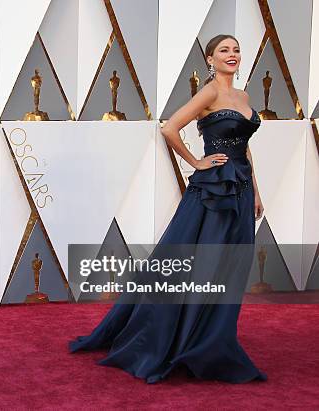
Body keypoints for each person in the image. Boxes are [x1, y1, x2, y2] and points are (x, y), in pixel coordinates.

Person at [69, 34, 267, 383]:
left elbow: (244, 147)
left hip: (240, 190)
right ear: (210, 59)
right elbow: (170, 127)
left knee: (228, 269)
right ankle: (174, 339)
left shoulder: (244, 96)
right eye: (224, 50)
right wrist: (196, 161)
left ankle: (213, 340)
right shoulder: (210, 92)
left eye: (236, 50)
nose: (232, 55)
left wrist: (255, 191)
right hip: (212, 194)